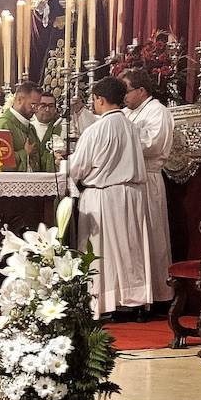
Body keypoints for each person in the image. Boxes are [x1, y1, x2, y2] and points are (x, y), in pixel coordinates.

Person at [68, 77, 152, 319]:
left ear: (100, 99)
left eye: (94, 99)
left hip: (104, 195)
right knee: (130, 250)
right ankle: (133, 302)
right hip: (132, 194)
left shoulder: (96, 130)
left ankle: (104, 303)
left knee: (102, 251)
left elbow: (79, 167)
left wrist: (62, 163)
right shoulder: (131, 127)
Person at [121, 68, 176, 308]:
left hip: (147, 179)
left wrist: (120, 138)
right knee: (132, 240)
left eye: (126, 91)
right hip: (127, 182)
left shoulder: (158, 112)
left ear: (141, 91)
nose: (123, 96)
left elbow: (153, 144)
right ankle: (133, 297)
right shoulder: (123, 112)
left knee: (151, 238)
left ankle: (156, 297)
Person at [0, 81, 45, 172]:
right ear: (19, 100)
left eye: (38, 106)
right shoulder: (4, 124)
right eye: (33, 104)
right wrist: (25, 153)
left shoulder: (31, 128)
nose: (36, 110)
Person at [30, 92, 63, 172]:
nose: (47, 109)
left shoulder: (60, 127)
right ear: (36, 107)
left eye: (51, 106)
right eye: (43, 105)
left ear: (55, 109)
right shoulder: (28, 127)